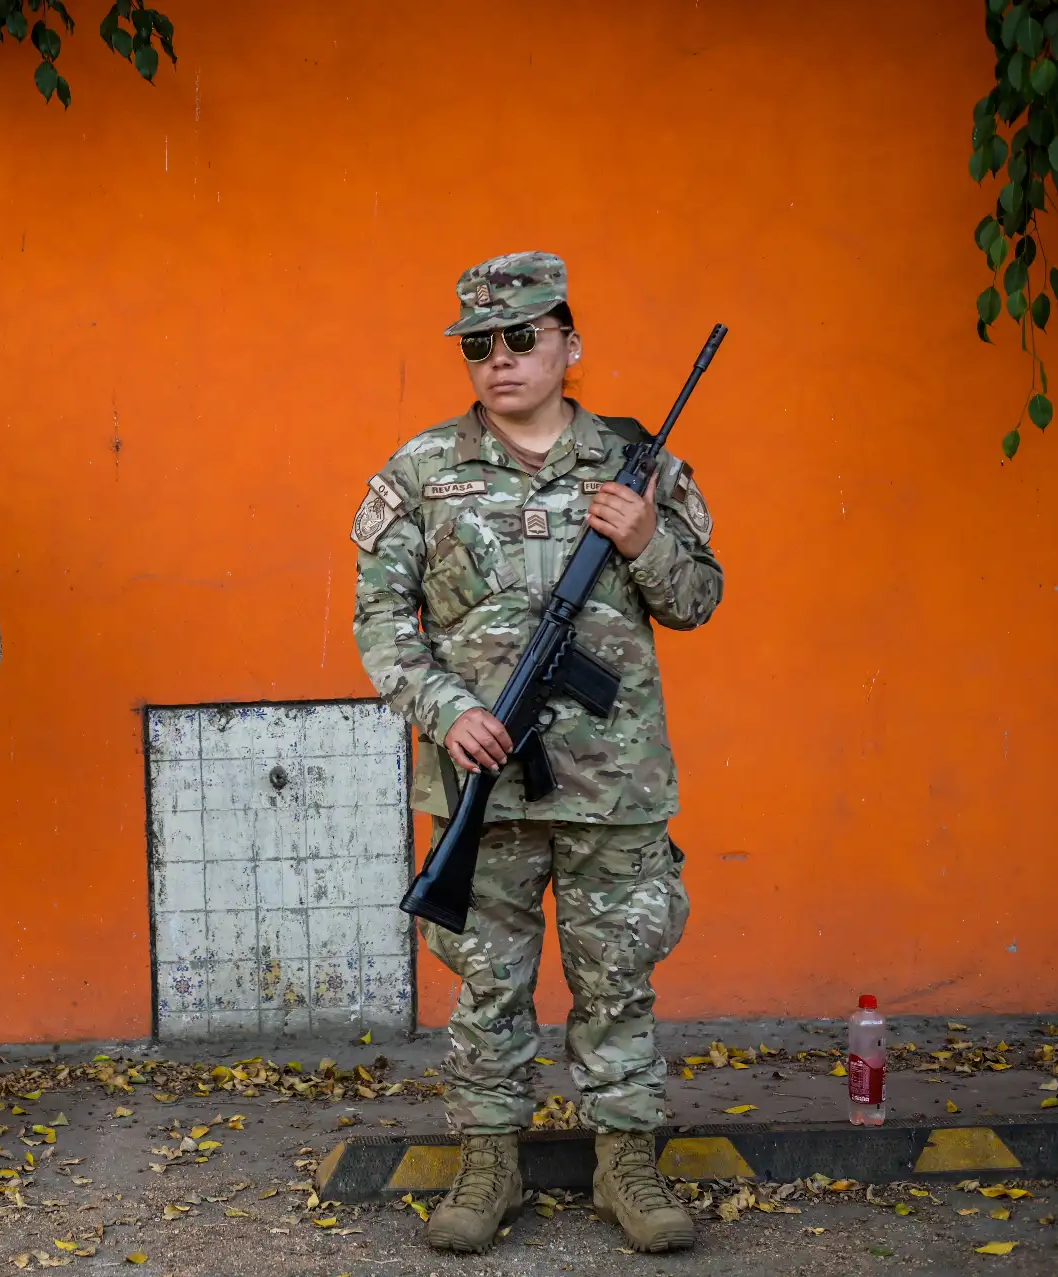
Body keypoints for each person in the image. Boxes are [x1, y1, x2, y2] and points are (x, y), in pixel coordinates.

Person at [350, 252, 723, 1255]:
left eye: (522, 337)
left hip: (614, 781)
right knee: (488, 985)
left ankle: (628, 1162)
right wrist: (445, 708)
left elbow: (695, 600)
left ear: (569, 345)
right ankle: (488, 1160)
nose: (501, 359)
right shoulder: (421, 472)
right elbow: (381, 622)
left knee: (617, 980)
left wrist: (646, 538)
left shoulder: (636, 463)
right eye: (480, 344)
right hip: (485, 777)